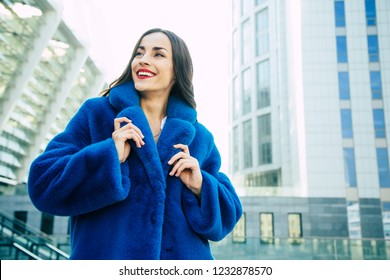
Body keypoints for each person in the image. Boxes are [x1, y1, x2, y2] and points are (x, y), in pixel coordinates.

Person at [28, 28, 242, 260]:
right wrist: (109, 155)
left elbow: (229, 214)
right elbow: (42, 183)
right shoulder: (97, 114)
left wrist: (201, 186)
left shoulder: (199, 137)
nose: (143, 61)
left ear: (176, 71)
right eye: (139, 53)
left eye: (157, 54)